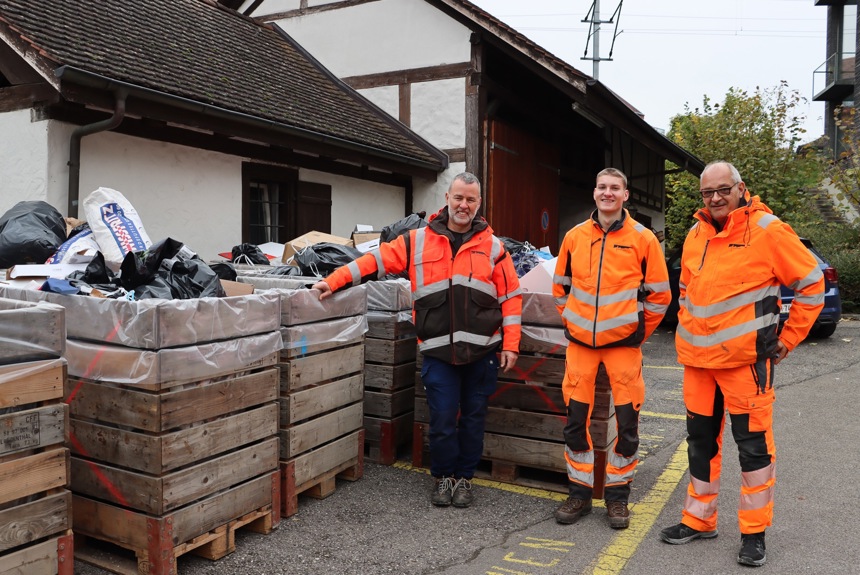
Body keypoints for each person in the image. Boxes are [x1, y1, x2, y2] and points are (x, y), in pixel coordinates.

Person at [313, 172, 522, 508]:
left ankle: (464, 479)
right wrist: (333, 281)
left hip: (482, 353)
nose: (463, 205)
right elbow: (374, 261)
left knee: (472, 421)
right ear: (447, 199)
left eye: (470, 199)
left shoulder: (494, 248)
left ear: (479, 204)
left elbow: (511, 297)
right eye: (458, 198)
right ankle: (442, 478)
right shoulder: (417, 241)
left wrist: (511, 344)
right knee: (441, 420)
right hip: (438, 351)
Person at [659, 161, 825, 567]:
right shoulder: (697, 233)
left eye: (722, 190)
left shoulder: (768, 230)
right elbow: (685, 290)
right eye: (707, 192)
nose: (715, 198)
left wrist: (786, 340)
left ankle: (754, 533)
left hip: (745, 367)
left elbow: (811, 283)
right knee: (700, 444)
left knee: (753, 451)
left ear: (740, 188)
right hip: (697, 365)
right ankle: (699, 520)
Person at [552, 167, 670, 530]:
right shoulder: (574, 237)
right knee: (575, 424)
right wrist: (574, 322)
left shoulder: (643, 239)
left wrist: (637, 333)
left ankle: (618, 499)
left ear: (625, 195)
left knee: (628, 425)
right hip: (581, 347)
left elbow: (660, 295)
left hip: (623, 348)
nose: (608, 193)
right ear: (594, 193)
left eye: (614, 188)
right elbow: (560, 288)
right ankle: (579, 493)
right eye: (602, 187)